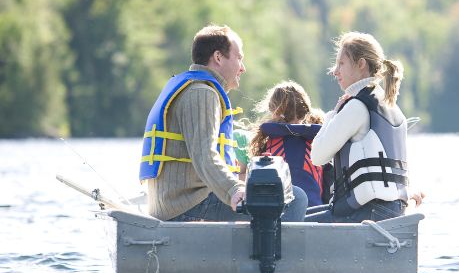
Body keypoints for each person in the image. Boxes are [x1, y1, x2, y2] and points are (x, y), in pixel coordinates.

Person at [139, 24, 307, 222]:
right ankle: (275, 254)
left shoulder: (193, 88)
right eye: (239, 58)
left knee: (273, 197)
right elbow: (204, 155)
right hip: (189, 205)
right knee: (295, 198)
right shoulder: (202, 94)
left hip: (176, 202)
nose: (243, 68)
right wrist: (234, 189)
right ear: (218, 57)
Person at [305, 32, 422, 223]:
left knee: (285, 228)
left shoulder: (356, 107)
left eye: (341, 63)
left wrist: (334, 112)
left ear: (361, 64)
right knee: (300, 218)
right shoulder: (391, 106)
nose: (335, 71)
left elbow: (317, 156)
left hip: (365, 214)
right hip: (392, 211)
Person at [248, 80, 331, 206]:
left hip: (278, 215)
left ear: (273, 109)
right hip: (314, 214)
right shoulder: (317, 140)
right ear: (305, 110)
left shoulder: (268, 141)